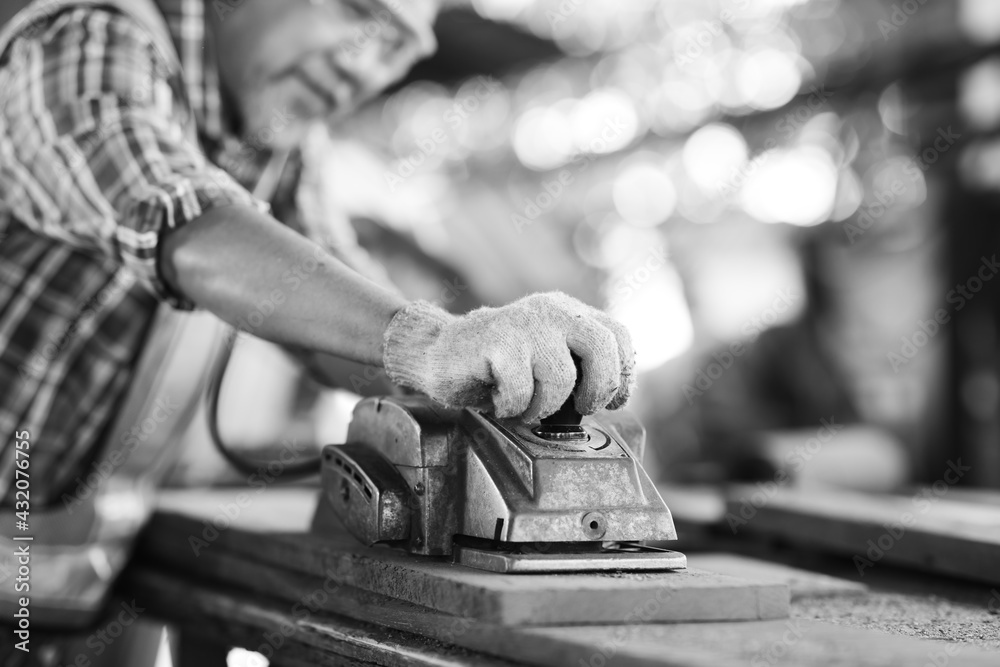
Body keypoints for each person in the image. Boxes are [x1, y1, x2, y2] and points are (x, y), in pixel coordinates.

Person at [0, 0, 636, 645]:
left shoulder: (279, 142)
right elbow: (189, 229)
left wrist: (478, 381)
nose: (360, 64)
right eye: (353, 10)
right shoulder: (87, 36)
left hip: (50, 601)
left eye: (395, 48)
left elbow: (340, 325)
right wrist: (434, 342)